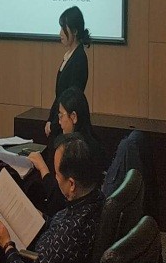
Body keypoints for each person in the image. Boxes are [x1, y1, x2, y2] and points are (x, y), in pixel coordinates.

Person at [0, 134, 104, 263]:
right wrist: (42, 218)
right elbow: (62, 221)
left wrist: (7, 245)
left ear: (72, 184)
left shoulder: (67, 236)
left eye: (57, 174)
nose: (55, 178)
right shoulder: (96, 198)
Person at [29, 88, 107, 216]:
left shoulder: (79, 151)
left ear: (74, 117)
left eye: (61, 115)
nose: (59, 122)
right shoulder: (92, 141)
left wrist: (43, 168)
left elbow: (59, 200)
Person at [45, 6, 91, 141]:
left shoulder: (79, 58)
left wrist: (55, 123)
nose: (60, 33)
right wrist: (50, 119)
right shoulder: (70, 55)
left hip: (69, 125)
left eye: (63, 28)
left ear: (75, 31)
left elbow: (71, 98)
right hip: (60, 120)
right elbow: (59, 95)